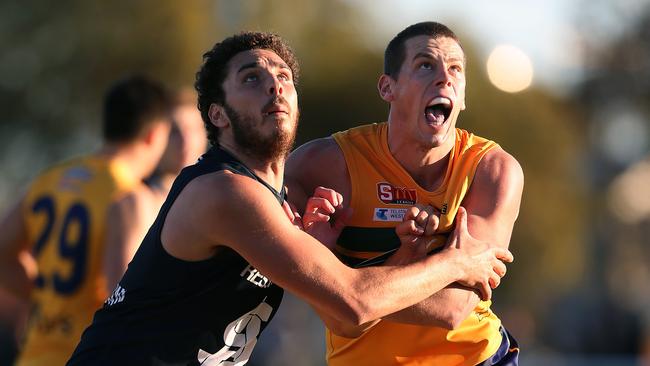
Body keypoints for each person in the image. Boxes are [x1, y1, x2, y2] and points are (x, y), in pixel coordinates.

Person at [66, 31, 512, 366]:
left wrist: (398, 254)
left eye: (283, 77)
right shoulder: (226, 192)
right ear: (217, 114)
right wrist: (457, 262)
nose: (275, 86)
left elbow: (355, 304)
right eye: (252, 78)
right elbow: (352, 303)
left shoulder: (279, 200)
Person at [286, 21, 525, 365]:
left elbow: (452, 307)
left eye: (456, 69)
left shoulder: (491, 169)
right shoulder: (323, 164)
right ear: (387, 87)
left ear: (464, 95)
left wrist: (346, 284)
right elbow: (340, 318)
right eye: (426, 65)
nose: (445, 78)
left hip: (475, 357)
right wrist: (448, 261)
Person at [0, 75, 172, 365]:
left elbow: (2, 252)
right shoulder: (130, 197)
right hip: (83, 356)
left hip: (32, 356)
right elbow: (124, 295)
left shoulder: (49, 180)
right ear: (155, 135)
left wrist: (48, 297)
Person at [103, 88, 208, 291]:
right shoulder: (136, 201)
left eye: (194, 129)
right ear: (156, 135)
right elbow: (120, 293)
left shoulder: (215, 199)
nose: (186, 141)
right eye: (175, 131)